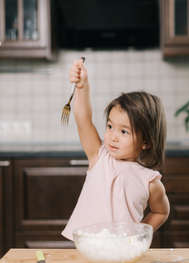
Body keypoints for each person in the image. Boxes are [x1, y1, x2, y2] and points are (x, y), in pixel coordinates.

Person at [62, 58, 170, 240]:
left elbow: (161, 212)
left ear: (146, 142)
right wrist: (82, 87)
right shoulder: (99, 157)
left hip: (124, 253)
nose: (113, 136)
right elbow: (83, 118)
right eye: (110, 126)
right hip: (89, 250)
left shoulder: (150, 182)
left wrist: (140, 234)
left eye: (124, 131)